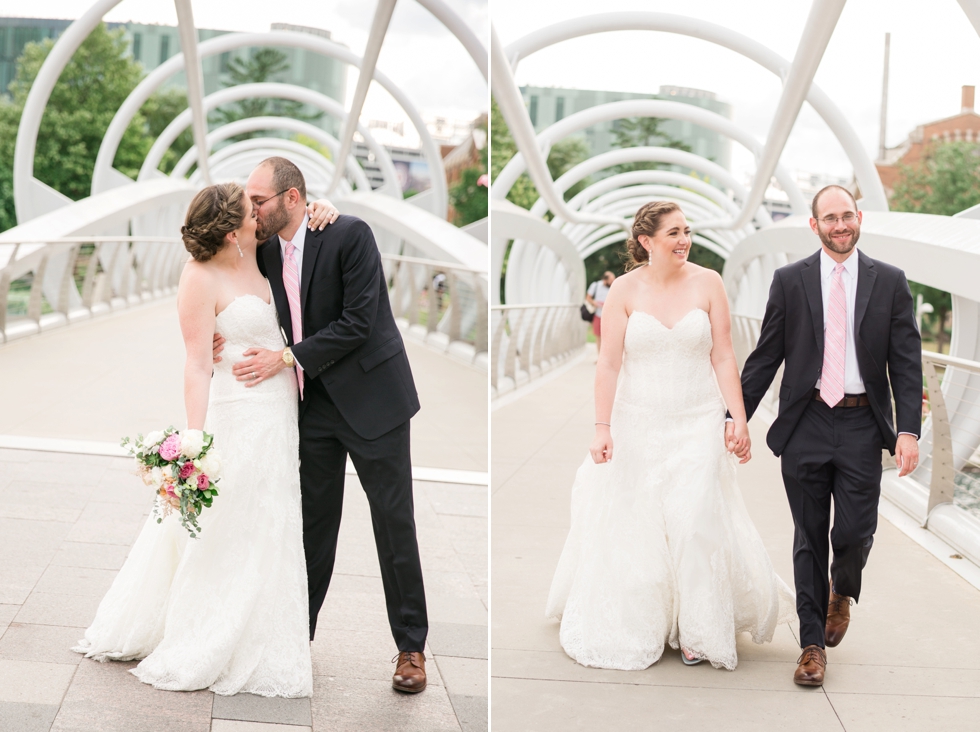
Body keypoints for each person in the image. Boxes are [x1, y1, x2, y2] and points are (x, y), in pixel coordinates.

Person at [73, 183, 337, 697]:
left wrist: (324, 206)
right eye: (249, 207)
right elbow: (196, 362)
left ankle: (264, 632)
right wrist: (195, 441)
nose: (258, 211)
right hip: (235, 412)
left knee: (271, 519)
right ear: (231, 223)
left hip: (279, 410)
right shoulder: (197, 276)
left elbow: (301, 236)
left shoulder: (262, 252)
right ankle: (209, 632)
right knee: (227, 525)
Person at [546, 201, 795, 671]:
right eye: (674, 233)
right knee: (640, 524)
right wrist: (602, 428)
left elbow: (723, 356)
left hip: (698, 418)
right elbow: (608, 363)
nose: (684, 240)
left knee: (695, 518)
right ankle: (648, 617)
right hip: (637, 420)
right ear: (646, 241)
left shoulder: (709, 283)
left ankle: (698, 629)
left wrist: (737, 419)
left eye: (687, 231)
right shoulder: (622, 289)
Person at [214, 157, 429, 693]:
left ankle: (411, 648)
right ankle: (296, 636)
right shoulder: (262, 247)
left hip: (374, 401)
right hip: (314, 408)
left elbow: (358, 322)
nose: (251, 209)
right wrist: (217, 333)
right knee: (310, 526)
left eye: (259, 200)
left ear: (292, 199)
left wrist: (285, 359)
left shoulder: (349, 234)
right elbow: (227, 284)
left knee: (393, 523)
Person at [733, 185, 922, 686]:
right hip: (807, 422)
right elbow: (765, 357)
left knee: (855, 532)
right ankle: (811, 647)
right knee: (809, 536)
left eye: (847, 216)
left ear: (859, 218)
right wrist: (735, 418)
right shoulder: (790, 281)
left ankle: (843, 589)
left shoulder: (890, 282)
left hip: (863, 423)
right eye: (829, 218)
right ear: (813, 225)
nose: (841, 226)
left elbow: (906, 363)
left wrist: (907, 431)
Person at [586, 270, 615, 353]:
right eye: (611, 280)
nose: (613, 282)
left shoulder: (613, 287)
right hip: (598, 314)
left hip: (610, 315)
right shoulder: (595, 285)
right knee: (598, 336)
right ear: (605, 280)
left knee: (608, 337)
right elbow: (588, 298)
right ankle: (600, 356)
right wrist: (594, 302)